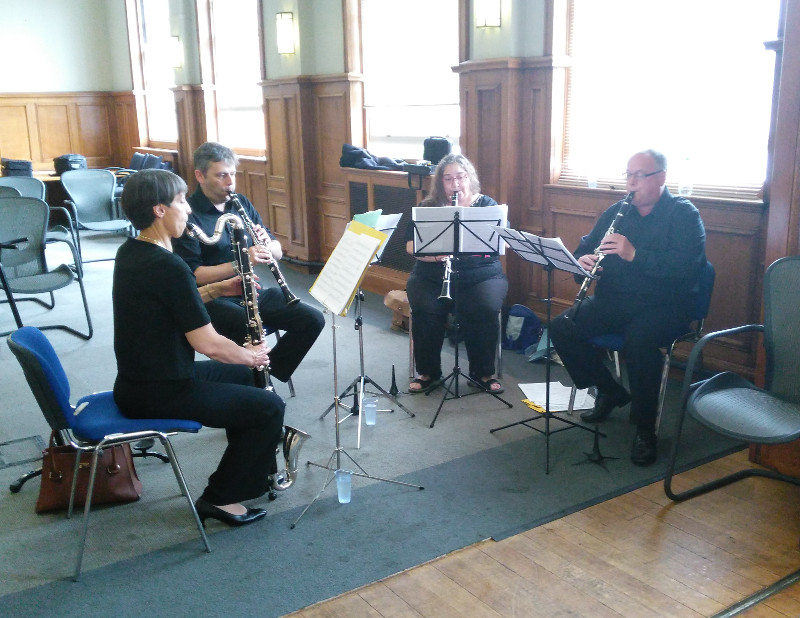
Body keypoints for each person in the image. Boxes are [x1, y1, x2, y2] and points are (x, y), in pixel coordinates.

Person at [113, 169, 285, 527]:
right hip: (162, 388)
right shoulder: (169, 265)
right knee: (269, 405)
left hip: (141, 380)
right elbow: (208, 344)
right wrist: (253, 354)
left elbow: (175, 303)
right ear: (159, 210)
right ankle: (220, 497)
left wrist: (220, 290)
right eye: (180, 202)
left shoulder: (132, 251)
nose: (188, 210)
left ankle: (245, 467)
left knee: (246, 378)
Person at [549, 149, 707, 466]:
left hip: (665, 306)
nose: (631, 183)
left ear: (661, 178)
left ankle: (645, 429)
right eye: (628, 175)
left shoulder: (684, 215)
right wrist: (584, 259)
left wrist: (635, 254)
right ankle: (609, 390)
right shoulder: (617, 211)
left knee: (639, 343)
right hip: (615, 300)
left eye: (639, 176)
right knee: (561, 328)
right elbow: (586, 245)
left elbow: (689, 268)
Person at [173, 142, 324, 384]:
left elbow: (277, 251)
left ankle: (265, 372)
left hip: (250, 291)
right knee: (244, 326)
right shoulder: (190, 215)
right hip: (214, 298)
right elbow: (194, 274)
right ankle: (251, 380)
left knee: (312, 320)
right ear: (200, 176)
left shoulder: (239, 203)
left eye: (232, 174)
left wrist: (267, 245)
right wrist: (241, 262)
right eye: (221, 175)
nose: (229, 182)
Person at [405, 153, 508, 394]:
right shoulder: (427, 207)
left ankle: (482, 372)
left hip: (482, 274)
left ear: (469, 178)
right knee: (425, 307)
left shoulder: (488, 206)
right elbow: (411, 246)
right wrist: (434, 256)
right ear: (440, 182)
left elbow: (500, 245)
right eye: (448, 179)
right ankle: (428, 372)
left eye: (460, 177)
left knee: (484, 306)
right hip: (432, 274)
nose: (455, 184)